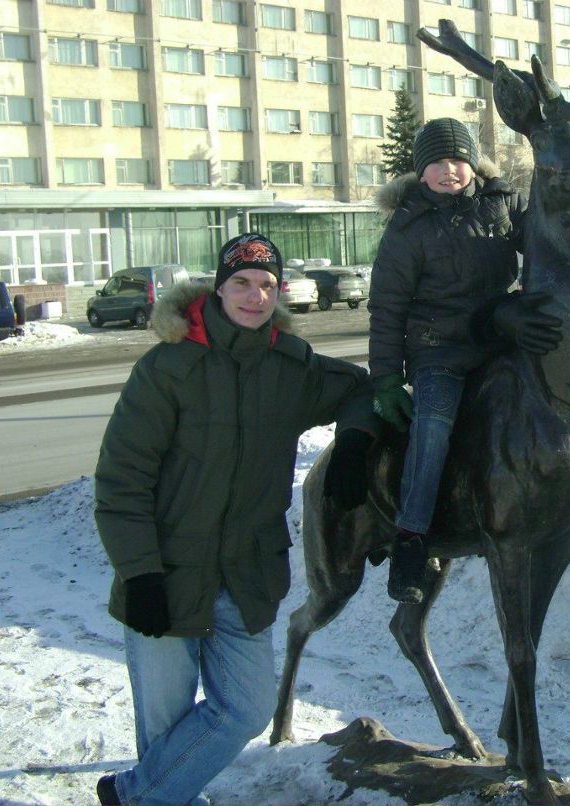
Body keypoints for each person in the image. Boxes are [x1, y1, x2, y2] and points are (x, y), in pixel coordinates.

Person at [93, 233, 378, 806]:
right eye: (242, 284)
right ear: (219, 287)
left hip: (247, 574)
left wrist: (354, 440)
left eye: (268, 285)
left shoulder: (289, 366)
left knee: (246, 709)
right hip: (167, 574)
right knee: (168, 726)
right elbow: (122, 481)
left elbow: (359, 389)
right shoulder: (168, 367)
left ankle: (132, 795)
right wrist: (141, 573)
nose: (255, 296)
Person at [367, 117, 570, 604]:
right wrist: (386, 378)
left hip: (503, 338)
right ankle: (411, 538)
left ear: (473, 164)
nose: (450, 171)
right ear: (420, 172)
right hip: (441, 354)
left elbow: (556, 229)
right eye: (437, 163)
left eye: (458, 160)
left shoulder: (504, 203)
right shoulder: (407, 229)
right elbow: (387, 309)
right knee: (432, 427)